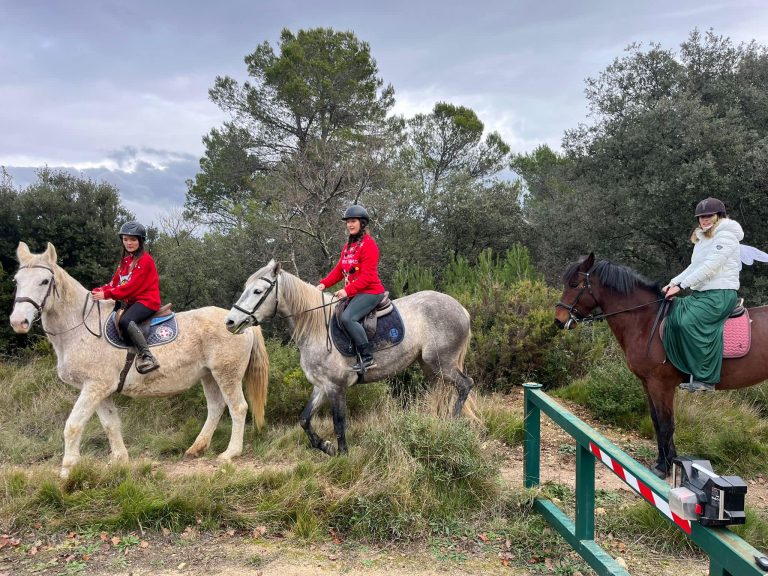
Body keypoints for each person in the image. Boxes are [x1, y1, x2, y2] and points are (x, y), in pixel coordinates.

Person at [662, 197, 744, 392]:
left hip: (720, 294)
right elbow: (695, 266)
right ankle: (684, 368)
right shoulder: (704, 238)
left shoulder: (726, 235)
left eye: (709, 216)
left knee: (687, 322)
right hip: (702, 294)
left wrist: (681, 286)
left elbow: (711, 266)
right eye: (701, 217)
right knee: (674, 316)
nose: (704, 220)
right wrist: (673, 282)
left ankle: (705, 379)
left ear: (719, 216)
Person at [316, 205, 386, 372]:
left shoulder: (369, 245)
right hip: (356, 293)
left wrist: (347, 291)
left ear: (362, 223)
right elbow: (340, 270)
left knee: (348, 318)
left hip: (370, 291)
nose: (349, 224)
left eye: (353, 221)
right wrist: (324, 284)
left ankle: (368, 357)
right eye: (347, 222)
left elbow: (367, 276)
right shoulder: (349, 247)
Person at [92, 221, 161, 374]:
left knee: (125, 321)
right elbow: (114, 283)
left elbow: (131, 287)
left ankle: (147, 356)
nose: (129, 243)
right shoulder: (125, 262)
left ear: (140, 241)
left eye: (133, 239)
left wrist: (107, 294)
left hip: (147, 301)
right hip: (132, 301)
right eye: (125, 239)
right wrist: (97, 291)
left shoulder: (146, 260)